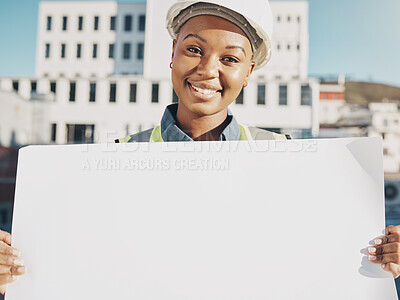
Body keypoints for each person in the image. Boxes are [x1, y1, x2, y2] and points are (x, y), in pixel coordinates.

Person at [1, 0, 399, 294]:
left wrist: (382, 258)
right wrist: (16, 268)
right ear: (172, 52)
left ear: (248, 73)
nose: (207, 70)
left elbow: (320, 264)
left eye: (230, 58)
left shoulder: (290, 161)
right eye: (194, 49)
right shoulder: (110, 162)